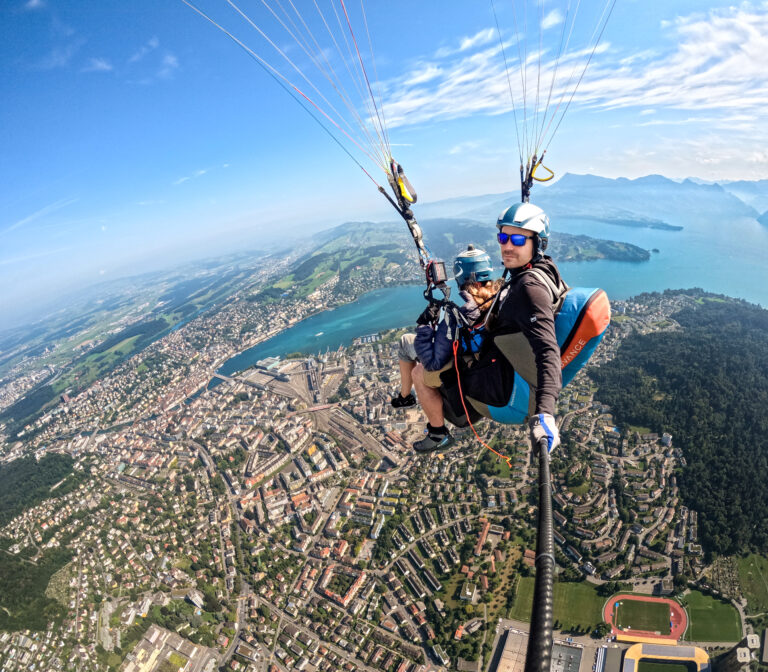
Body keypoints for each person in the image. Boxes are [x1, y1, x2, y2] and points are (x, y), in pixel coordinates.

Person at [412, 202, 563, 454]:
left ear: (539, 242)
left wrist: (545, 414)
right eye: (503, 237)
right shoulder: (544, 270)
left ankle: (437, 432)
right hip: (502, 370)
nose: (507, 246)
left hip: (495, 387)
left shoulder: (528, 289)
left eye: (517, 239)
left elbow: (547, 351)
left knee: (419, 370)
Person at [406, 246, 503, 452]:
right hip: (490, 365)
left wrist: (425, 327)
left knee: (418, 371)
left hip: (470, 370)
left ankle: (437, 433)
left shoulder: (462, 314)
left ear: (460, 279)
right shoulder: (501, 298)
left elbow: (433, 362)